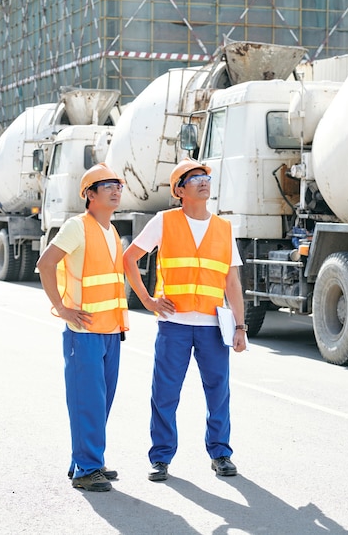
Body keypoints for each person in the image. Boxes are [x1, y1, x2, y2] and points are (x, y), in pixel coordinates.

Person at [123, 157, 247, 482]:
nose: (204, 181)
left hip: (212, 325)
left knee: (218, 392)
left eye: (205, 176)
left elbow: (232, 282)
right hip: (174, 325)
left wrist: (241, 326)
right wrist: (148, 300)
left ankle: (221, 454)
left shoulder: (223, 228)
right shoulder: (164, 222)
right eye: (194, 178)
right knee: (164, 393)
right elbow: (129, 259)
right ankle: (160, 458)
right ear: (180, 190)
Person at [37, 162, 129, 492]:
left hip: (110, 332)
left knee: (101, 402)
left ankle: (88, 460)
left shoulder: (112, 231)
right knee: (87, 401)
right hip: (84, 334)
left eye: (118, 185)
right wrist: (62, 308)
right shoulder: (78, 226)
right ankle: (86, 470)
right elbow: (45, 264)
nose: (116, 190)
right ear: (90, 195)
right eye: (107, 186)